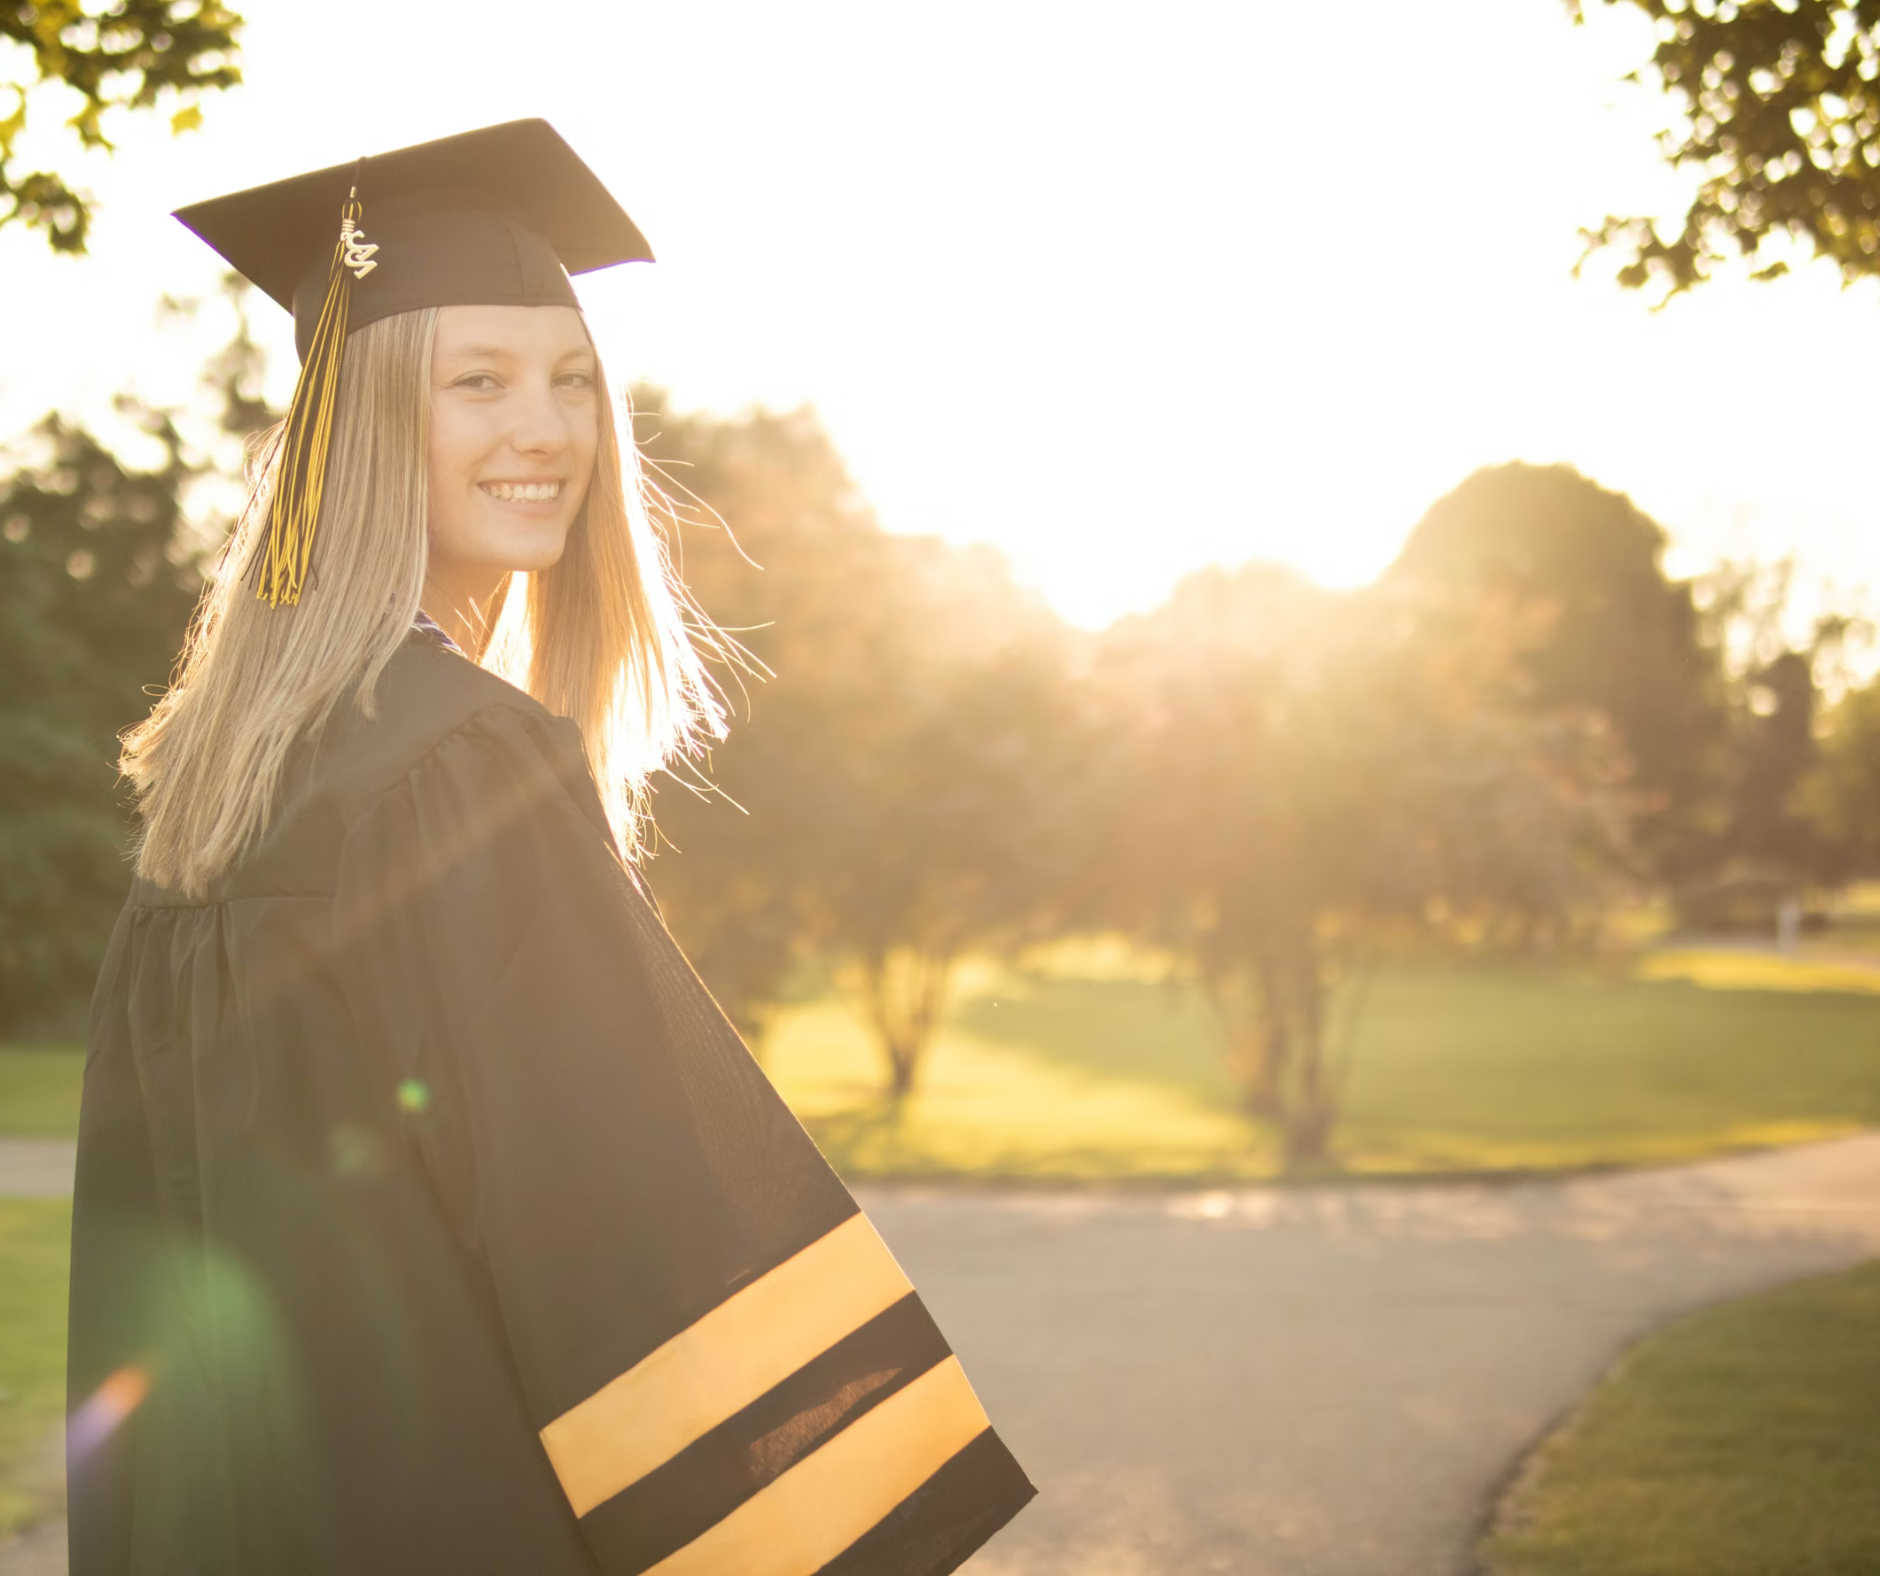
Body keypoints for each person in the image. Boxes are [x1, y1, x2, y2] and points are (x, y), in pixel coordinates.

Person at [67, 119, 1035, 1576]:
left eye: (573, 382)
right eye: (478, 381)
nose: (548, 429)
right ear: (369, 421)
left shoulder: (231, 779)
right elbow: (614, 1211)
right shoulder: (458, 759)